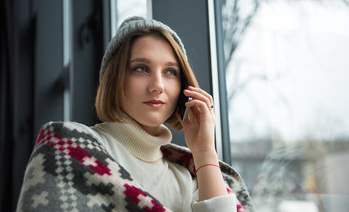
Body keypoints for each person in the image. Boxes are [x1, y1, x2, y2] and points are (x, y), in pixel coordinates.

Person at [16, 16, 254, 212]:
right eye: (141, 68)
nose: (157, 85)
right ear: (115, 80)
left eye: (170, 71)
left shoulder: (189, 179)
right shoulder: (67, 149)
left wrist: (204, 153)